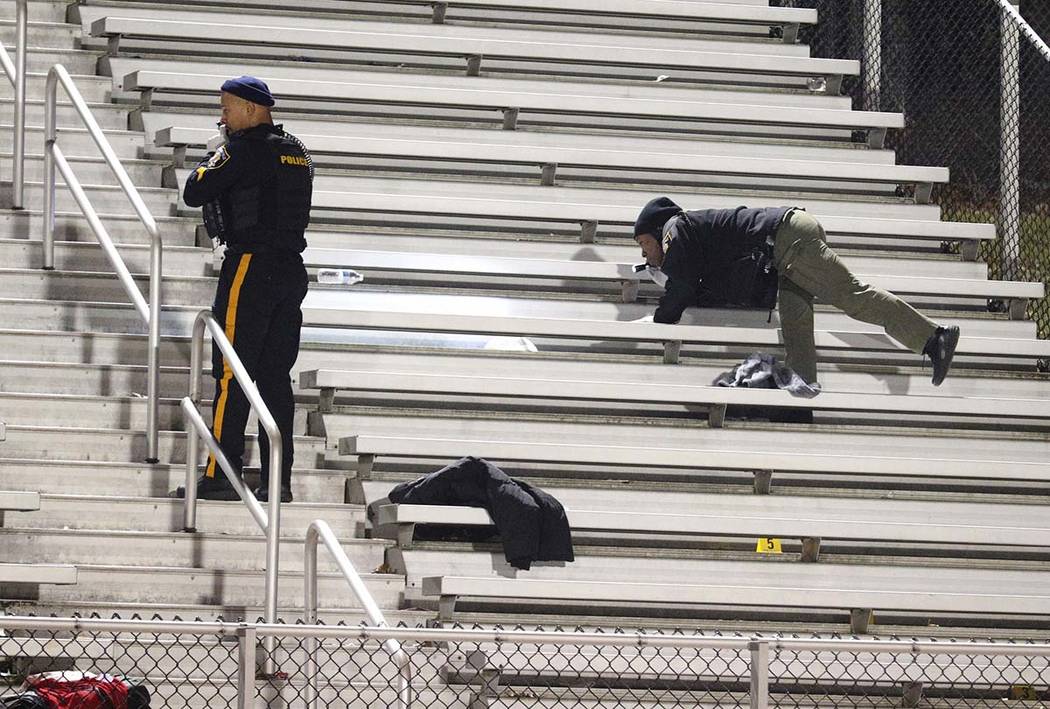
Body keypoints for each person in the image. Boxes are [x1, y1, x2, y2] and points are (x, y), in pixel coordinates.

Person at [633, 196, 960, 389]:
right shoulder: (688, 233)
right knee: (796, 323)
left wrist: (660, 322)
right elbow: (697, 280)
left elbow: (682, 283)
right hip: (786, 242)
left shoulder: (675, 229)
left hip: (788, 241)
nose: (645, 253)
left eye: (643, 244)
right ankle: (802, 393)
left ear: (655, 231)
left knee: (851, 296)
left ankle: (933, 338)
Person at [178, 76, 313, 502]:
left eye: (227, 108)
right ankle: (279, 480)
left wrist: (219, 151)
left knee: (231, 371)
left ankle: (222, 472)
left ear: (251, 110)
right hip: (290, 269)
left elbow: (194, 190)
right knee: (274, 378)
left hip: (250, 266)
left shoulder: (242, 149)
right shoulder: (297, 150)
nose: (223, 116)